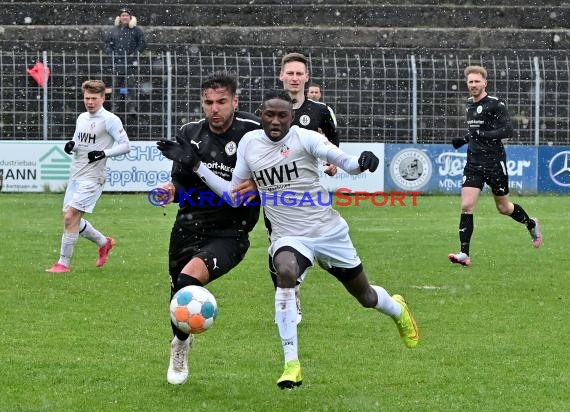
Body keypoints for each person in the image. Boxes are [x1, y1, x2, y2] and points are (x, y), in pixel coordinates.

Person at [188, 89, 420, 388]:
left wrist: (363, 162)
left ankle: (397, 309)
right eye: (269, 114)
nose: (275, 120)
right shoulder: (249, 144)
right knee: (284, 271)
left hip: (328, 233)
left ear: (292, 117)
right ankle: (291, 364)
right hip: (289, 237)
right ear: (260, 114)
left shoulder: (305, 138)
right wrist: (197, 167)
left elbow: (346, 162)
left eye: (282, 115)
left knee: (366, 297)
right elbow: (234, 196)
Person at [156, 71, 261, 385]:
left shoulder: (253, 134)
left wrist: (258, 184)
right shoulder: (190, 132)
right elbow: (181, 180)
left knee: (189, 278)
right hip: (189, 224)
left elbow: (271, 175)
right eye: (208, 103)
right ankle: (182, 341)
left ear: (235, 101)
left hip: (231, 231)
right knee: (178, 292)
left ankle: (180, 348)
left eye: (222, 102)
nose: (215, 109)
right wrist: (170, 189)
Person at [448, 65, 543, 267]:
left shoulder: (495, 104)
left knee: (504, 207)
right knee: (466, 206)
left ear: (485, 83)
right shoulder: (469, 105)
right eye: (470, 82)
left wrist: (483, 135)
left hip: (494, 162)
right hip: (473, 162)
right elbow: (476, 131)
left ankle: (531, 224)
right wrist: (464, 139)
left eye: (477, 81)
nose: (473, 85)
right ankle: (464, 254)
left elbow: (508, 130)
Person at [276, 52, 340, 322]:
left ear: (306, 77)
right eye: (289, 73)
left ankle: (294, 290)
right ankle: (288, 300)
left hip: (306, 194)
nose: (294, 78)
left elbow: (334, 141)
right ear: (282, 76)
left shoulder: (319, 111)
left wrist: (333, 160)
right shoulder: (270, 108)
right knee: (278, 249)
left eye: (298, 73)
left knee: (307, 244)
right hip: (274, 193)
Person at [46, 80, 131, 273]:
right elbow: (78, 141)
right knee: (70, 219)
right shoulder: (82, 117)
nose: (90, 102)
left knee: (70, 217)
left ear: (103, 98)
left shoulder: (110, 119)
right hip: (76, 174)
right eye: (87, 98)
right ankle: (104, 242)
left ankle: (63, 264)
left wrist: (103, 153)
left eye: (94, 98)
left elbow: (126, 145)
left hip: (93, 177)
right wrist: (72, 145)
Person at [104, 7, 146, 96]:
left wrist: (134, 54)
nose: (125, 17)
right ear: (119, 17)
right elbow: (107, 44)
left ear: (130, 17)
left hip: (131, 64)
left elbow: (142, 44)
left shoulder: (136, 30)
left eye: (127, 15)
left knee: (130, 87)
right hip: (117, 63)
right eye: (123, 15)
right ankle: (116, 106)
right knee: (116, 88)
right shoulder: (113, 31)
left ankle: (130, 107)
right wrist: (112, 55)